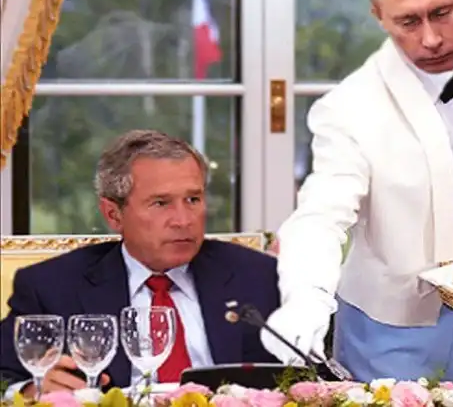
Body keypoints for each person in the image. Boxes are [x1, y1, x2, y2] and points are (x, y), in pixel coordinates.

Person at [260, 0, 453, 383]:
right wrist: (306, 298)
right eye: (408, 21)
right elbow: (321, 216)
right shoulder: (350, 107)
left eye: (441, 13)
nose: (430, 39)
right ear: (379, 16)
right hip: (384, 327)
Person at [0, 130, 280, 398]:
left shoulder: (260, 276)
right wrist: (30, 390)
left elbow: (303, 370)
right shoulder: (52, 288)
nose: (183, 220)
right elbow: (5, 375)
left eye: (193, 199)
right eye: (161, 203)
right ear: (113, 214)